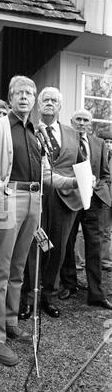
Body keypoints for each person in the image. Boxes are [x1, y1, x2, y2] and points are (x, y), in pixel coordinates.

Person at [0, 77, 78, 366]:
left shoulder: (37, 132)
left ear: (34, 100)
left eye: (29, 93)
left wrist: (73, 182)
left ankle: (10, 322)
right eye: (19, 93)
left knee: (18, 268)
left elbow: (47, 174)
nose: (25, 97)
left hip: (34, 201)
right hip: (10, 199)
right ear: (10, 98)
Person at [37, 87, 83, 318]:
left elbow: (82, 165)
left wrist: (86, 182)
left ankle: (49, 297)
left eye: (54, 100)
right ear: (38, 104)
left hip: (64, 201)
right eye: (45, 99)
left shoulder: (72, 134)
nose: (50, 103)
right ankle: (26, 297)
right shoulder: (29, 129)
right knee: (33, 247)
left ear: (60, 106)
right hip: (35, 196)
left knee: (57, 248)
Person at [59, 109, 112, 310]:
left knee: (94, 246)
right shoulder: (65, 142)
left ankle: (96, 294)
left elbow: (106, 174)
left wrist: (99, 186)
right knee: (67, 243)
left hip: (94, 201)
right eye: (78, 119)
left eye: (85, 120)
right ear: (72, 121)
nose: (82, 123)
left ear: (90, 124)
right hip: (70, 199)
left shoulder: (99, 144)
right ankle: (69, 284)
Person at [100, 135, 112, 272]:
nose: (108, 144)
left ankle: (106, 261)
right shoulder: (98, 155)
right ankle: (81, 261)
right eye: (106, 142)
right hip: (101, 196)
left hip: (110, 199)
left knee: (107, 231)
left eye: (110, 142)